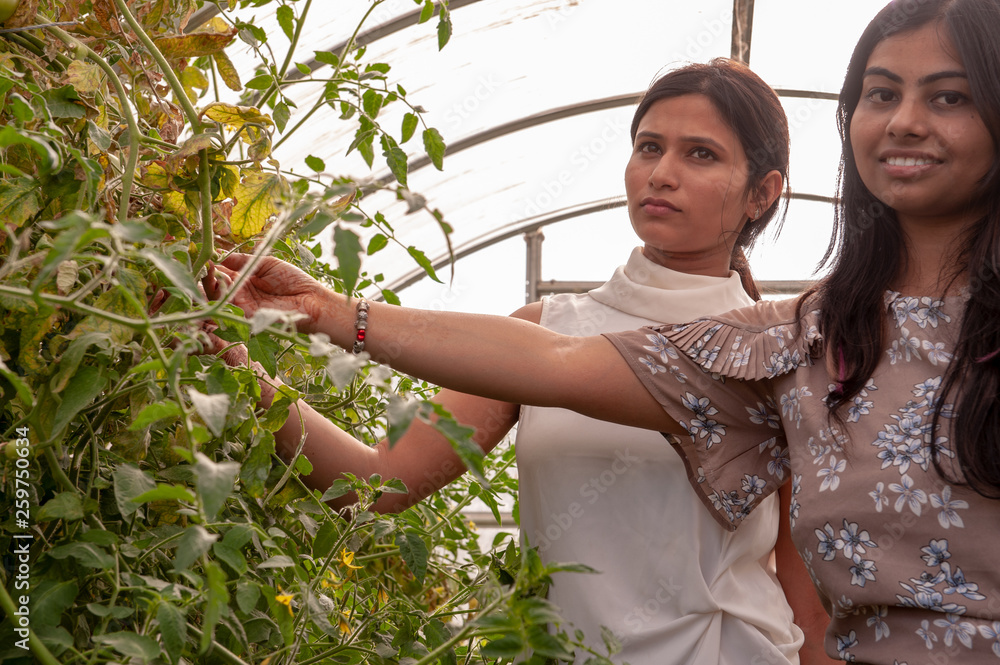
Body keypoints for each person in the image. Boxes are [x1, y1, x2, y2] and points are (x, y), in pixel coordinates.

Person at [204, 59, 838, 663]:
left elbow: (805, 594)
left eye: (701, 153)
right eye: (649, 146)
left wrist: (331, 310)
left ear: (763, 192)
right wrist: (242, 373)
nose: (661, 172)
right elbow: (379, 485)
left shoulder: (779, 353)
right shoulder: (542, 334)